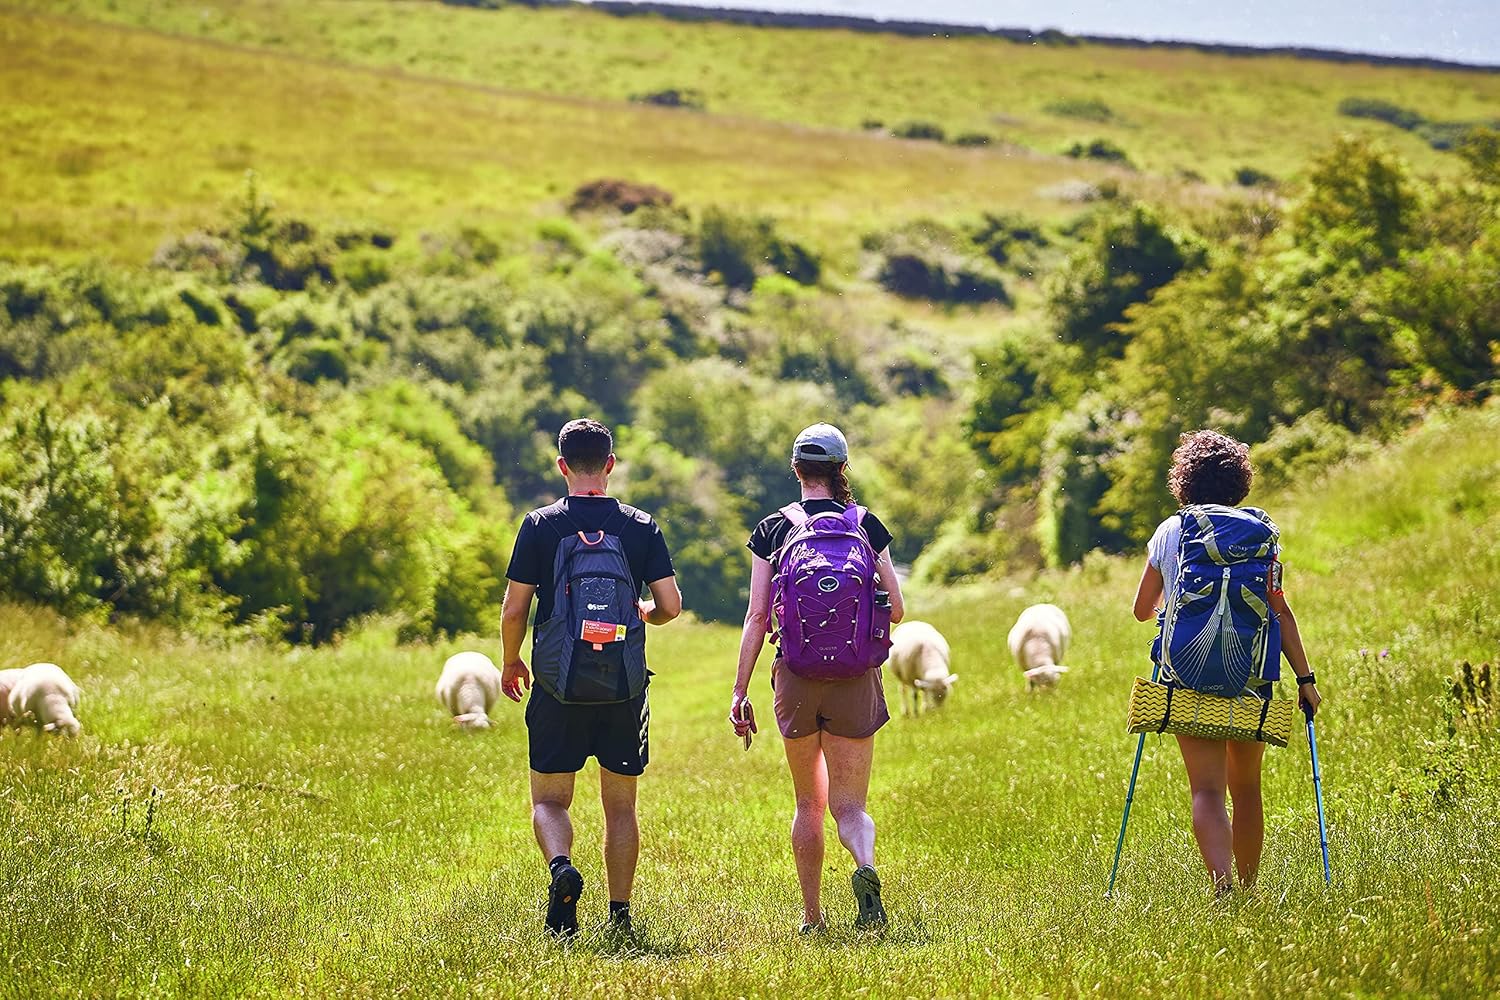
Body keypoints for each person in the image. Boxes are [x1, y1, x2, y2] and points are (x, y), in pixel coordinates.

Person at [500, 418, 682, 937]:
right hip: (623, 686)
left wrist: (513, 661)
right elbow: (671, 605)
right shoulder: (640, 526)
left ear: (562, 466)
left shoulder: (540, 526)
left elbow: (515, 610)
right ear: (610, 465)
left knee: (549, 801)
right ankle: (620, 918)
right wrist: (644, 612)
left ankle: (561, 868)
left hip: (558, 684)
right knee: (620, 807)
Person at [729, 422, 905, 933]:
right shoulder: (866, 525)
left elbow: (757, 618)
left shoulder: (774, 529)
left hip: (797, 676)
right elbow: (896, 611)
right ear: (842, 470)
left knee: (809, 802)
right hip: (855, 677)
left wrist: (740, 690)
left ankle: (813, 919)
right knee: (850, 806)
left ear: (796, 470)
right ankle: (865, 867)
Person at [1131, 429, 1323, 893]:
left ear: (1184, 481)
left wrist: (1174, 612)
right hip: (1252, 676)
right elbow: (1279, 608)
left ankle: (1222, 890)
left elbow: (1141, 609)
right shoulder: (1261, 533)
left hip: (1186, 675)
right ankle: (1251, 887)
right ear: (1240, 482)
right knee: (1247, 789)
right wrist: (1305, 679)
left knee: (1207, 791)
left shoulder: (1171, 531)